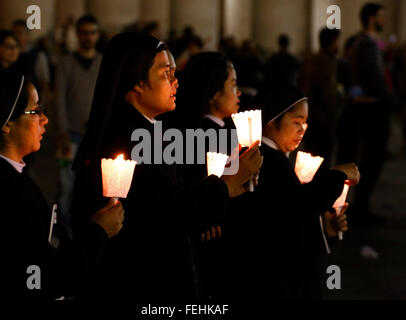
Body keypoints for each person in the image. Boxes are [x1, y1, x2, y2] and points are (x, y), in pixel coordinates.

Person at [70, 32, 262, 304]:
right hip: (142, 286)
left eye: (175, 73)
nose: (175, 81)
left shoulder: (153, 130)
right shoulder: (126, 138)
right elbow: (160, 212)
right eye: (165, 74)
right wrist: (225, 184)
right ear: (137, 81)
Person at [0, 68, 124, 300]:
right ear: (7, 123)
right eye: (35, 110)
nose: (45, 119)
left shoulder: (4, 174)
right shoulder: (4, 190)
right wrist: (99, 232)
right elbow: (41, 278)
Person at [241, 83, 359, 300]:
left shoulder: (278, 158)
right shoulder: (264, 161)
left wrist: (326, 231)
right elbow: (298, 206)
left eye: (305, 123)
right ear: (270, 122)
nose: (302, 130)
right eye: (296, 122)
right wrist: (337, 175)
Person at [175, 51, 247, 300]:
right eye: (233, 85)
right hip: (214, 242)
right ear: (214, 92)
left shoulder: (225, 130)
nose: (239, 93)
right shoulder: (204, 135)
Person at [338, 3, 392, 224]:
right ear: (371, 18)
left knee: (368, 159)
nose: (384, 20)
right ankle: (362, 209)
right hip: (373, 108)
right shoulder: (368, 44)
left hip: (367, 107)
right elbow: (375, 80)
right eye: (381, 16)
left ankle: (361, 207)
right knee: (371, 159)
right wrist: (392, 101)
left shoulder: (364, 42)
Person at [55, 15, 102, 233]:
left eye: (92, 32)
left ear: (97, 35)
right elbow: (59, 100)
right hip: (71, 135)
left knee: (92, 185)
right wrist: (63, 132)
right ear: (78, 34)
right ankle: (64, 231)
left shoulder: (103, 62)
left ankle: (87, 230)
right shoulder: (65, 63)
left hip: (95, 135)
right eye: (84, 32)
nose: (88, 37)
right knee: (67, 187)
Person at [298, 28, 341, 165]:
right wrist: (334, 117)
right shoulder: (325, 62)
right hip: (321, 121)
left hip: (310, 118)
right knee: (321, 161)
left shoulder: (311, 60)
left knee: (311, 160)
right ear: (332, 42)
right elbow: (328, 94)